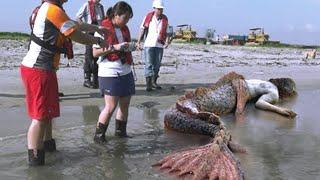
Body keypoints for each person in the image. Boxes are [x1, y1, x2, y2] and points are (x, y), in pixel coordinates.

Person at [21, 0, 107, 166]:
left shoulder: (52, 9)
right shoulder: (53, 10)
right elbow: (75, 34)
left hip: (44, 69)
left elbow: (77, 24)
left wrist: (96, 28)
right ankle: (35, 163)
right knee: (39, 117)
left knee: (47, 113)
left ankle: (49, 148)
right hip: (38, 69)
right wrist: (96, 41)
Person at [92, 1, 135, 143]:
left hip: (125, 70)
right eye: (125, 17)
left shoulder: (125, 29)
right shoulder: (102, 28)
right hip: (109, 71)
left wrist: (130, 47)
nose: (127, 21)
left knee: (125, 104)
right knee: (110, 106)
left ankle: (120, 133)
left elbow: (124, 47)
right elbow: (95, 53)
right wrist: (114, 47)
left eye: (129, 18)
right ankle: (99, 136)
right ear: (116, 15)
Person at [137, 0, 171, 91]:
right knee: (148, 64)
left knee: (157, 65)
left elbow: (167, 32)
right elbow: (142, 29)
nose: (160, 10)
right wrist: (138, 42)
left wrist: (167, 42)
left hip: (159, 45)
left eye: (161, 9)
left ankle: (154, 82)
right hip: (149, 44)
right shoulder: (148, 17)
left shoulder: (165, 19)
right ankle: (148, 84)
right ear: (154, 8)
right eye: (159, 9)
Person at [76, 0, 105, 89]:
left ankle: (96, 79)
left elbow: (103, 19)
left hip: (98, 33)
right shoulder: (86, 5)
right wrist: (83, 28)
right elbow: (77, 17)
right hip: (89, 32)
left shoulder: (101, 7)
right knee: (89, 56)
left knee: (97, 56)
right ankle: (87, 79)